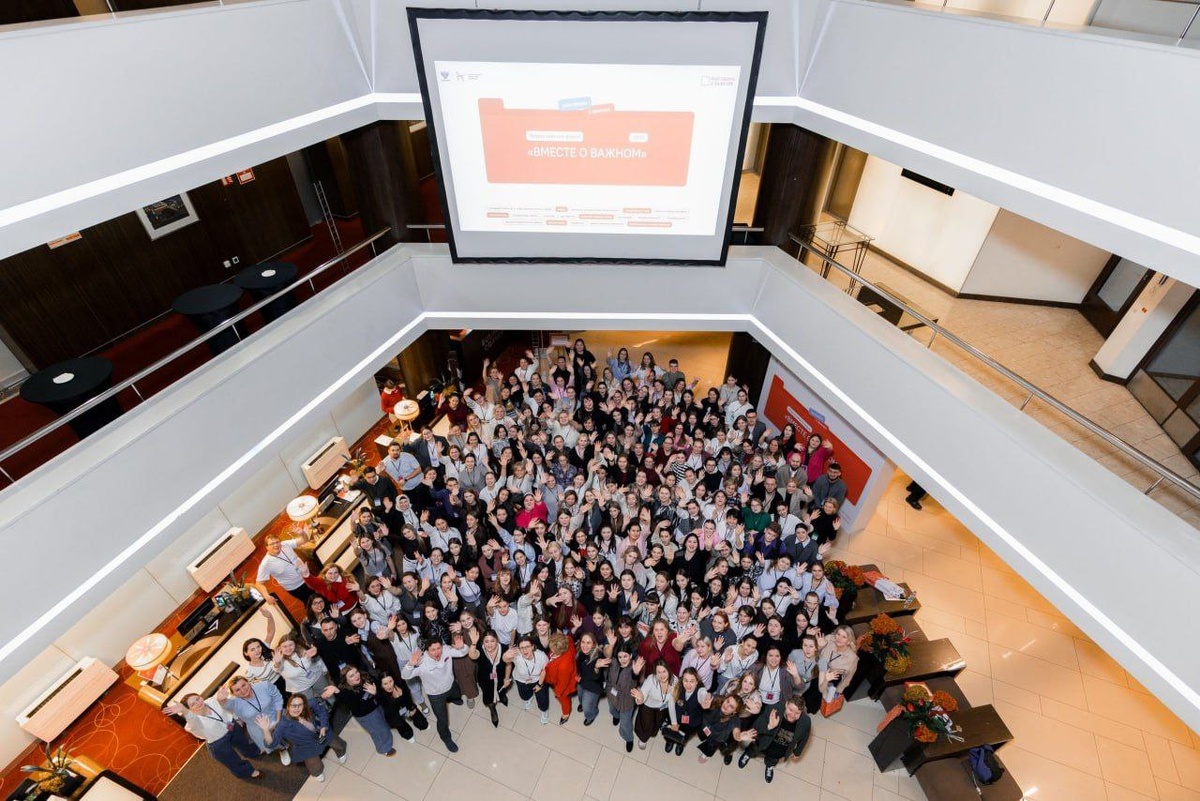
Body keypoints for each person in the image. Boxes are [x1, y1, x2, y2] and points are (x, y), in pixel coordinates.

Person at [163, 691, 263, 780]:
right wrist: (184, 711)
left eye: (198, 698)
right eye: (193, 704)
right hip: (217, 742)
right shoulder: (192, 723)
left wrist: (236, 718)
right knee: (232, 760)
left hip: (230, 726)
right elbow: (192, 719)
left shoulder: (212, 701)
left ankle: (252, 752)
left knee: (243, 741)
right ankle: (247, 771)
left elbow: (226, 708)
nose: (198, 703)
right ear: (190, 710)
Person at [255, 693, 347, 783]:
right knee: (314, 765)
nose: (297, 709)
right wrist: (265, 730)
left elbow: (322, 711)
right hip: (305, 745)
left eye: (300, 705)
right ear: (288, 707)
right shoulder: (283, 724)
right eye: (293, 706)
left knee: (337, 744)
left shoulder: (310, 704)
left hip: (321, 733)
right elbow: (271, 743)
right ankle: (317, 773)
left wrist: (324, 726)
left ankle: (341, 753)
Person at [402, 636, 469, 752]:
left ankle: (454, 698)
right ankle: (446, 738)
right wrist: (410, 664)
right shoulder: (422, 662)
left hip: (451, 685)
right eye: (433, 650)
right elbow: (405, 676)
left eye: (438, 648)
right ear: (427, 650)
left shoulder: (446, 650)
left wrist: (462, 647)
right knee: (443, 720)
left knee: (457, 695)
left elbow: (463, 653)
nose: (437, 652)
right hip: (436, 696)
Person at [737, 697, 812, 783]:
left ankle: (769, 766)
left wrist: (797, 752)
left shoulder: (806, 722)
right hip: (763, 741)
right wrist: (769, 726)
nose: (792, 715)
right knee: (753, 749)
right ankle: (748, 755)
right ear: (786, 704)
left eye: (797, 713)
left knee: (773, 760)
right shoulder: (774, 708)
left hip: (780, 750)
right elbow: (756, 727)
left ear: (801, 712)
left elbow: (804, 737)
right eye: (790, 710)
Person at [326, 666, 396, 757]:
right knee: (377, 731)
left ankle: (386, 734)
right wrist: (336, 691)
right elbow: (348, 701)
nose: (356, 676)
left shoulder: (365, 677)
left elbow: (378, 689)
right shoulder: (346, 692)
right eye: (351, 676)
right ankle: (383, 748)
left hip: (376, 707)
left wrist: (375, 693)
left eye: (356, 672)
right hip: (367, 716)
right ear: (345, 680)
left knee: (383, 724)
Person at [220, 676, 287, 762]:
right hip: (258, 729)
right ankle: (282, 750)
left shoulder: (264, 686)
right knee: (273, 744)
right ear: (233, 694)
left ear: (248, 682)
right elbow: (225, 704)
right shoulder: (234, 703)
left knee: (292, 733)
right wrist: (221, 700)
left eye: (243, 685)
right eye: (237, 690)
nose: (243, 690)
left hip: (277, 716)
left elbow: (277, 699)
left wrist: (278, 720)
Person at [253, 533, 316, 605]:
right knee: (311, 602)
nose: (276, 545)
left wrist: (302, 533)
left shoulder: (285, 544)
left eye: (277, 542)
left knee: (320, 591)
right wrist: (267, 596)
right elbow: (258, 584)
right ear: (267, 547)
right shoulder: (266, 563)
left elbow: (304, 540)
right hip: (297, 587)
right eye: (272, 544)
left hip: (306, 574)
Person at [506, 634, 552, 725]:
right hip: (521, 680)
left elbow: (544, 670)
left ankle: (544, 711)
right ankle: (529, 698)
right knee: (524, 696)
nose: (525, 650)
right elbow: (506, 660)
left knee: (542, 700)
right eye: (522, 648)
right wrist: (506, 655)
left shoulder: (541, 656)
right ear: (518, 649)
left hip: (538, 680)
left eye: (527, 647)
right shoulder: (516, 655)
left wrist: (539, 685)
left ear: (532, 646)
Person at [663, 666, 709, 755]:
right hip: (676, 717)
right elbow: (671, 704)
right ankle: (670, 741)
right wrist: (674, 723)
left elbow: (703, 695)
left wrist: (704, 701)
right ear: (682, 680)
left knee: (685, 735)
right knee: (671, 731)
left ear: (697, 682)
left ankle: (680, 744)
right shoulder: (677, 686)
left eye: (692, 681)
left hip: (691, 722)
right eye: (686, 680)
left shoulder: (701, 689)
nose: (688, 684)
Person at [632, 659, 676, 749]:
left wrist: (674, 722)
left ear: (668, 670)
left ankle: (652, 733)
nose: (662, 675)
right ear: (655, 673)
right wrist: (640, 698)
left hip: (661, 708)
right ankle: (643, 739)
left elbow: (671, 702)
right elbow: (641, 698)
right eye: (659, 672)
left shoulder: (675, 680)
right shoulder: (650, 680)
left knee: (657, 723)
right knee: (645, 725)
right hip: (648, 707)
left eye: (664, 671)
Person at [605, 649, 640, 753]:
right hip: (612, 694)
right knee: (612, 709)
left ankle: (628, 738)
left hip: (626, 699)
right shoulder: (614, 662)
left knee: (625, 723)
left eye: (625, 656)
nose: (623, 660)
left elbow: (634, 677)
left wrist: (636, 673)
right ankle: (616, 716)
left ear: (630, 655)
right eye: (620, 657)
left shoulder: (633, 667)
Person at [818, 625, 859, 710]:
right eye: (838, 634)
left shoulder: (852, 658)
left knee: (815, 701)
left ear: (849, 641)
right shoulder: (828, 639)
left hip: (831, 678)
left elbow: (848, 678)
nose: (839, 638)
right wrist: (819, 646)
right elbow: (814, 654)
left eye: (844, 637)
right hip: (817, 669)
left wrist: (838, 691)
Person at [476, 629, 511, 727]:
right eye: (486, 641)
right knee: (488, 696)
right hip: (485, 679)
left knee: (502, 689)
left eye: (492, 641)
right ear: (483, 642)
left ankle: (502, 697)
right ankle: (493, 710)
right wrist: (473, 644)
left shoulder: (504, 648)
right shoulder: (479, 649)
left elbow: (508, 665)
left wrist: (507, 679)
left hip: (500, 677)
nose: (489, 644)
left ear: (497, 640)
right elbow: (472, 655)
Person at [543, 632, 579, 725]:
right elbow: (569, 638)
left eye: (552, 648)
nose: (550, 649)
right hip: (557, 677)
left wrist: (558, 693)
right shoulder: (567, 640)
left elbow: (563, 682)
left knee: (563, 699)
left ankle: (566, 714)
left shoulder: (564, 665)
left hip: (562, 683)